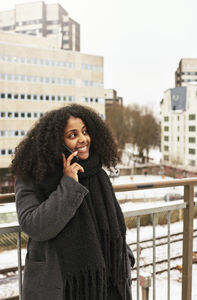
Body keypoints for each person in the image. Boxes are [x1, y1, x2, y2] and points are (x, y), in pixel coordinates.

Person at [11, 104, 134, 300]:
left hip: (108, 285)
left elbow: (112, 225)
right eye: (73, 135)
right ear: (56, 141)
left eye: (85, 131)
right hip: (63, 286)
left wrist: (124, 257)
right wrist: (69, 184)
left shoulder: (96, 172)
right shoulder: (33, 174)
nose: (83, 139)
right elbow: (34, 225)